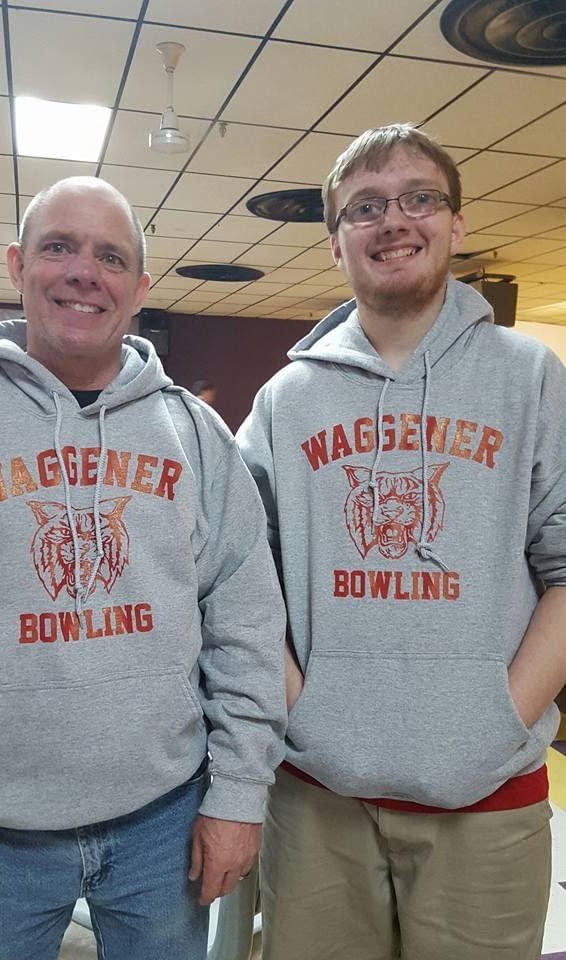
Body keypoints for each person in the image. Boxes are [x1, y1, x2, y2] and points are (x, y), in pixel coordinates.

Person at [0, 176, 286, 960]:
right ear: (18, 265)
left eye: (110, 257)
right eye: (59, 247)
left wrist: (239, 796)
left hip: (167, 822)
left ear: (140, 288)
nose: (85, 272)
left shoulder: (195, 434)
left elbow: (246, 626)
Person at [237, 124, 566, 960]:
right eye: (365, 207)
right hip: (316, 801)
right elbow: (237, 578)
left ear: (456, 226)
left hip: (487, 801)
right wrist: (302, 711)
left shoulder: (529, 376)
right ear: (337, 241)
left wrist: (501, 716)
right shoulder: (285, 399)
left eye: (420, 198)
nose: (394, 221)